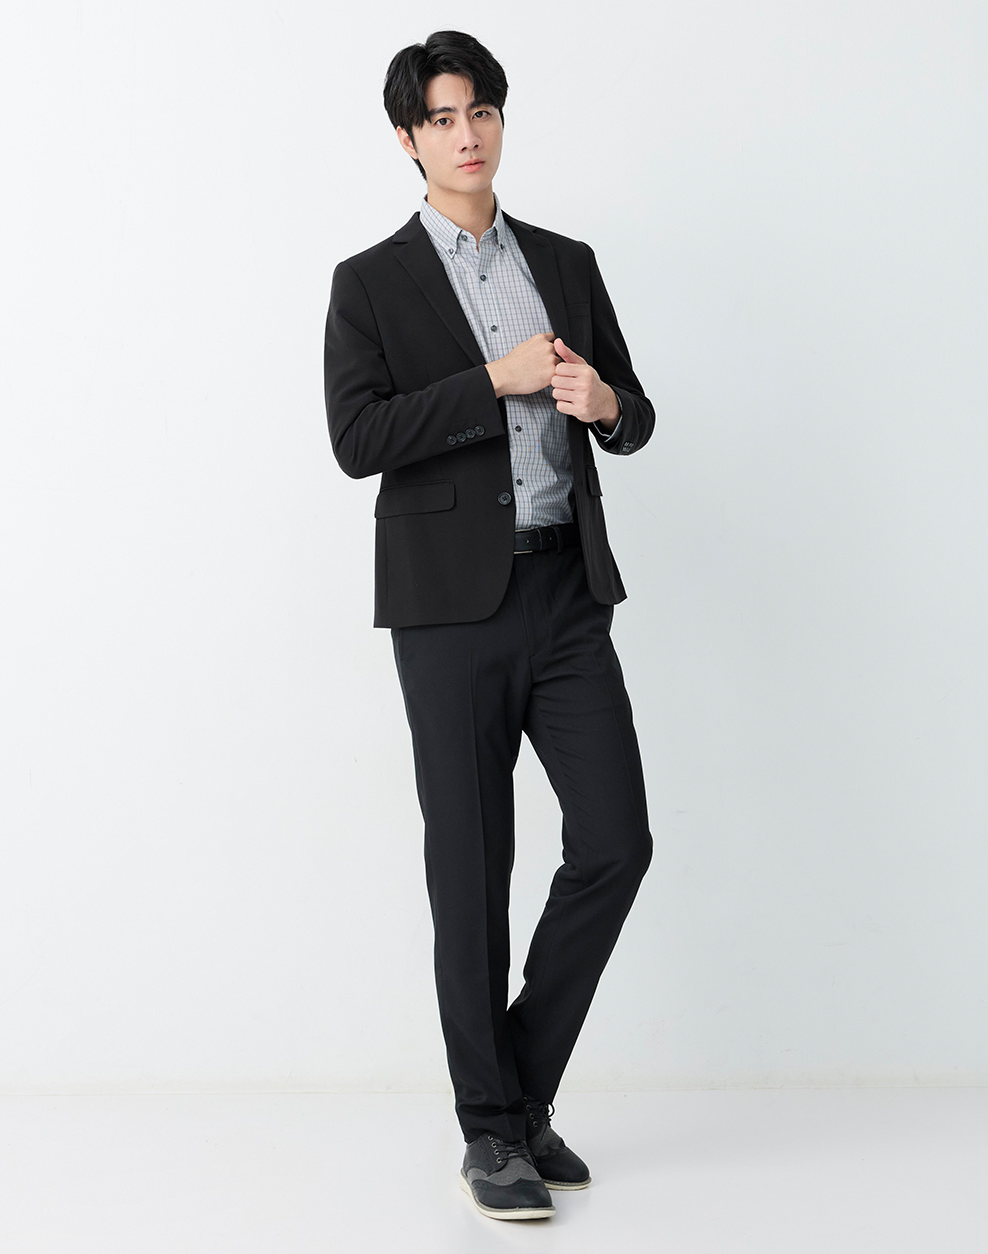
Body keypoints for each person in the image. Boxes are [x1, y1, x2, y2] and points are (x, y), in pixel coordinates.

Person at [324, 30, 655, 1222]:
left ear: (500, 123)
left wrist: (603, 402)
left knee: (616, 843)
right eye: (442, 117)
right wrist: (493, 384)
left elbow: (633, 413)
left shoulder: (564, 262)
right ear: (408, 139)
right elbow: (356, 438)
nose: (466, 135)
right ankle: (493, 1134)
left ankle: (511, 1099)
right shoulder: (369, 282)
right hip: (448, 613)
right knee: (471, 870)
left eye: (482, 112)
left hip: (566, 594)